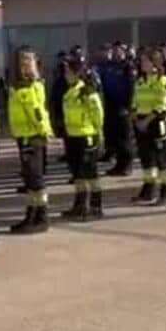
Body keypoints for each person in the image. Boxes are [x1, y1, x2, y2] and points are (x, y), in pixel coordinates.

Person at [6, 47, 54, 234]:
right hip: (23, 136)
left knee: (35, 179)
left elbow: (37, 112)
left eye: (29, 61)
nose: (25, 65)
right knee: (30, 179)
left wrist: (44, 132)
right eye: (21, 61)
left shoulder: (32, 85)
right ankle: (32, 214)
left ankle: (41, 216)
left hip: (32, 137)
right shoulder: (19, 85)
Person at [59, 54, 105, 222]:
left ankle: (95, 206)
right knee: (78, 174)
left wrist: (98, 134)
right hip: (72, 137)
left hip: (87, 136)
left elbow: (98, 115)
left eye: (68, 71)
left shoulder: (87, 91)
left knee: (90, 173)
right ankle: (79, 205)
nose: (65, 75)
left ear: (76, 73)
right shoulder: (70, 92)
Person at [131, 49, 166, 206]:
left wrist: (146, 121)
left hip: (157, 122)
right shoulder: (141, 81)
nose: (142, 64)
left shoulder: (162, 80)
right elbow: (135, 101)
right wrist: (135, 116)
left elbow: (160, 105)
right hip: (142, 122)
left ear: (154, 62)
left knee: (162, 160)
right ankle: (148, 190)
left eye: (145, 61)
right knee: (147, 159)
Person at [99, 46, 134, 177]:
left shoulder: (128, 67)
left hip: (123, 106)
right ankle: (119, 164)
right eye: (115, 52)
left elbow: (131, 88)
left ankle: (127, 165)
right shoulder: (109, 66)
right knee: (114, 138)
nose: (116, 54)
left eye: (119, 52)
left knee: (124, 138)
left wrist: (129, 107)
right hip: (110, 106)